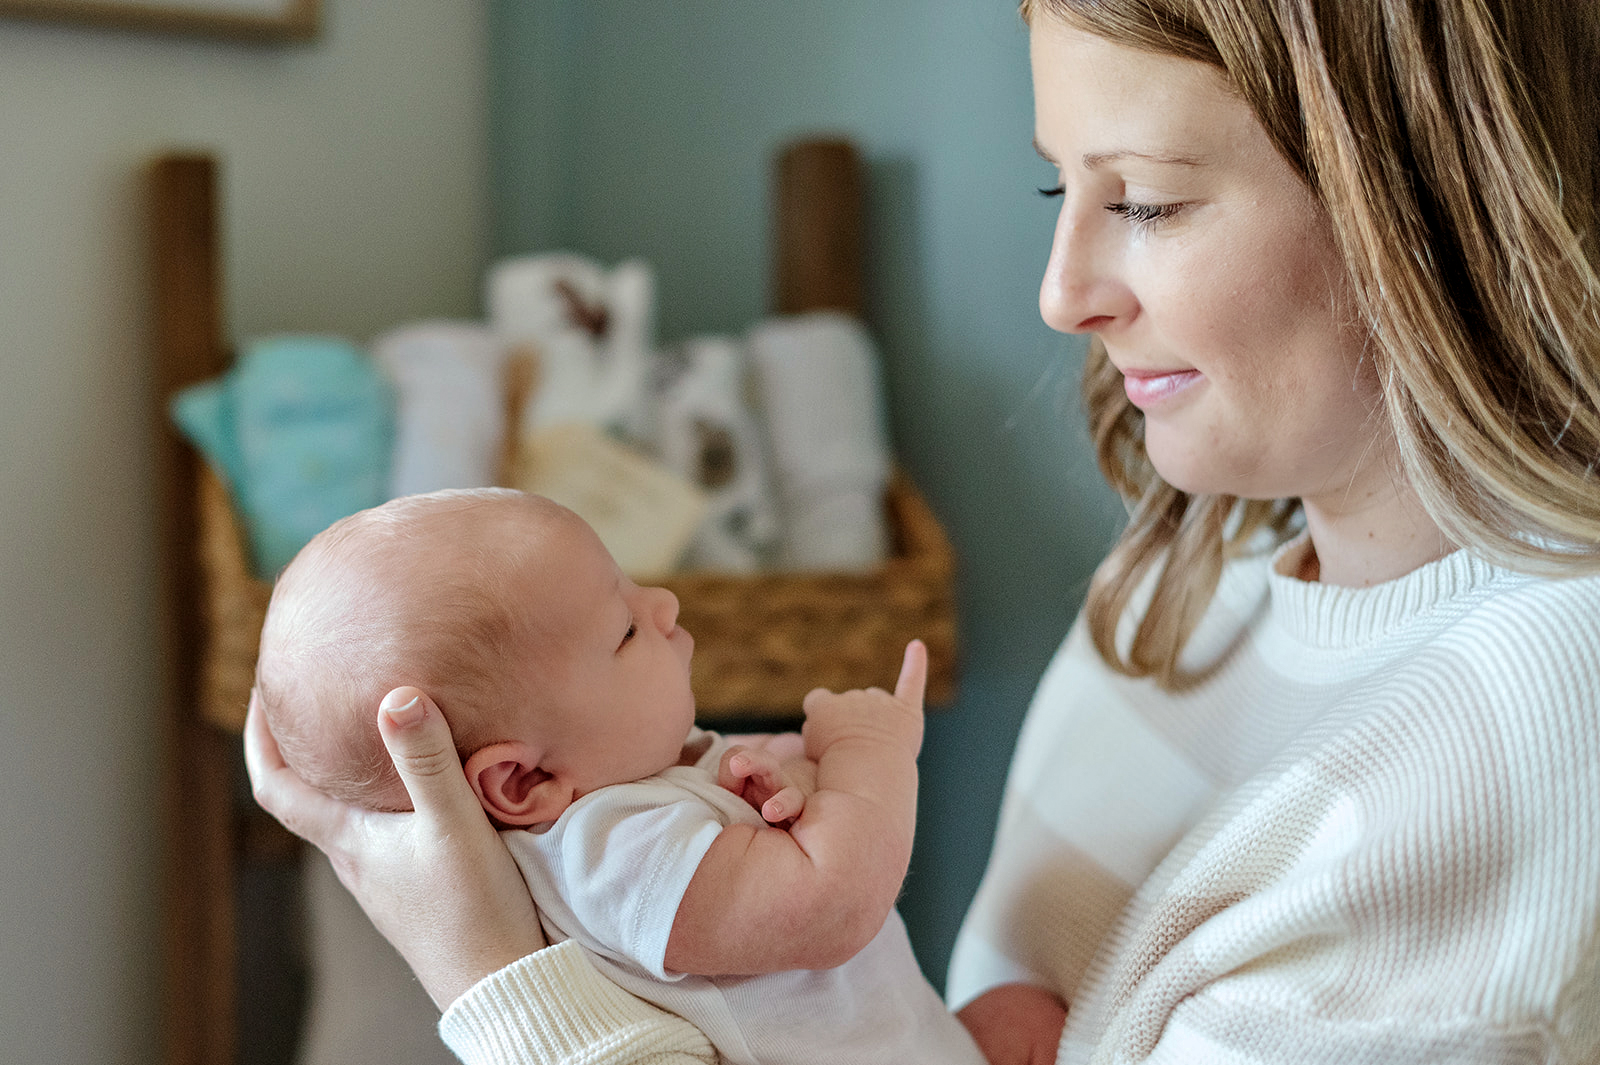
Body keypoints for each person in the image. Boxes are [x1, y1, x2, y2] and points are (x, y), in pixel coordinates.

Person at [246, 0, 1600, 1061]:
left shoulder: (1524, 735)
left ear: (1429, 202)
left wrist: (490, 980)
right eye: (1052, 191)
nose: (1062, 293)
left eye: (1144, 199)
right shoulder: (1186, 587)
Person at [253, 487, 985, 1065]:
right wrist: (868, 754)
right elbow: (830, 904)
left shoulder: (625, 776)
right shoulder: (610, 851)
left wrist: (793, 771)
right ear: (523, 782)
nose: (662, 604)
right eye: (626, 629)